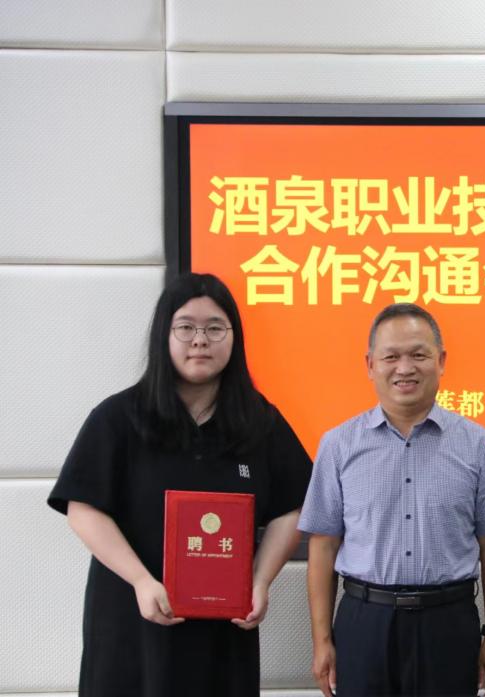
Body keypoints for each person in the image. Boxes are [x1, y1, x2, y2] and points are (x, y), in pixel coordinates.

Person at [47, 272, 313, 697]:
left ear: (234, 338)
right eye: (186, 327)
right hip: (133, 618)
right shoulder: (119, 417)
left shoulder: (259, 422)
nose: (200, 340)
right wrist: (141, 580)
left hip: (224, 628)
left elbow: (294, 506)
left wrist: (260, 580)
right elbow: (83, 508)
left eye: (215, 328)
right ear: (164, 336)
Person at [298, 302, 485, 697]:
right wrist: (322, 640)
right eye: (391, 357)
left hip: (448, 623)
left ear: (441, 361)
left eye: (418, 355)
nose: (405, 368)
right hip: (364, 622)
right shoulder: (338, 445)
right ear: (370, 365)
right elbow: (323, 545)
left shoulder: (477, 444)